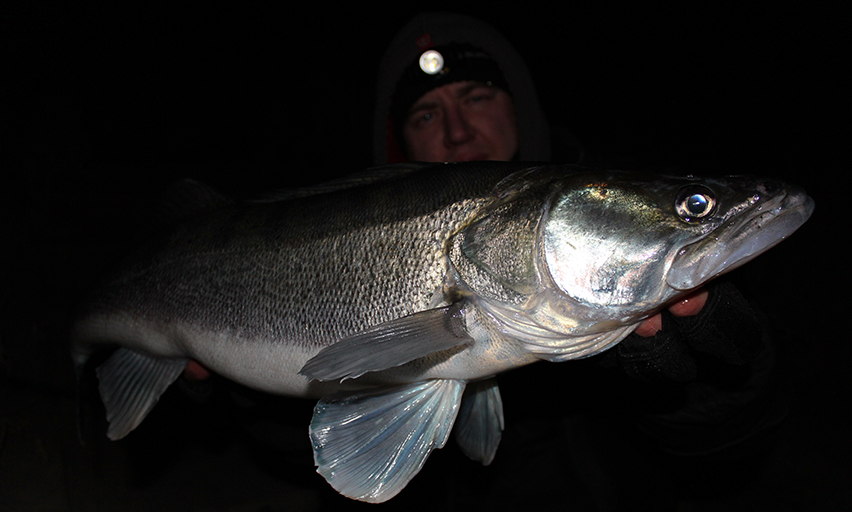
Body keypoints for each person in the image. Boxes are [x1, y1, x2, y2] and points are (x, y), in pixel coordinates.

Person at [371, 12, 786, 510]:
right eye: (426, 115)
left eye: (476, 97)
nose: (457, 132)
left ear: (519, 106)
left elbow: (733, 456)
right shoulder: (374, 225)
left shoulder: (618, 184)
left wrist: (711, 393)